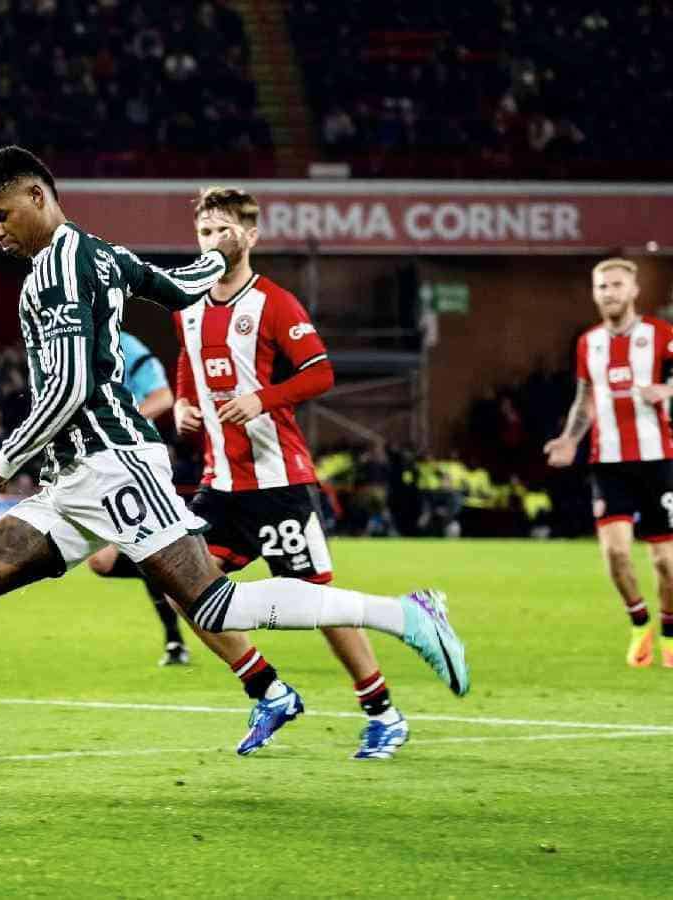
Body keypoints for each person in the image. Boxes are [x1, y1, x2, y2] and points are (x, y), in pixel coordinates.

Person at [0, 147, 468, 808]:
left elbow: (70, 385)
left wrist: (6, 458)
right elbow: (177, 286)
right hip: (72, 485)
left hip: (114, 465)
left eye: (2, 215)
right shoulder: (100, 252)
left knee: (216, 606)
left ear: (38, 196)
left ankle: (406, 615)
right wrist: (218, 257)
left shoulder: (57, 267)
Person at [171, 185, 411, 759]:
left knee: (319, 603)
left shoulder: (274, 302)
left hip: (279, 483)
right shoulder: (188, 304)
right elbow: (187, 360)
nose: (212, 240)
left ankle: (383, 713)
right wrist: (182, 402)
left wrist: (263, 399)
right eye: (205, 231)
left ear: (250, 236)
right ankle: (268, 689)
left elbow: (321, 372)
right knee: (183, 586)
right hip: (219, 486)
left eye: (224, 230)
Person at [544, 257, 673, 668]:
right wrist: (569, 439)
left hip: (659, 459)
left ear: (634, 290)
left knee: (665, 562)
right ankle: (639, 624)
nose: (609, 292)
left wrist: (665, 392)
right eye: (602, 286)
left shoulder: (661, 335)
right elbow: (584, 398)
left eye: (617, 285)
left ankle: (670, 631)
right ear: (594, 293)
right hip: (608, 461)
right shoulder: (589, 343)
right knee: (616, 555)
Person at [85, 330, 190, 666]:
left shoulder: (128, 346)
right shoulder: (75, 348)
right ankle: (183, 572)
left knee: (144, 551)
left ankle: (175, 639)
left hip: (136, 461)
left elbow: (162, 396)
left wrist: (123, 422)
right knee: (102, 562)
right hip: (99, 463)